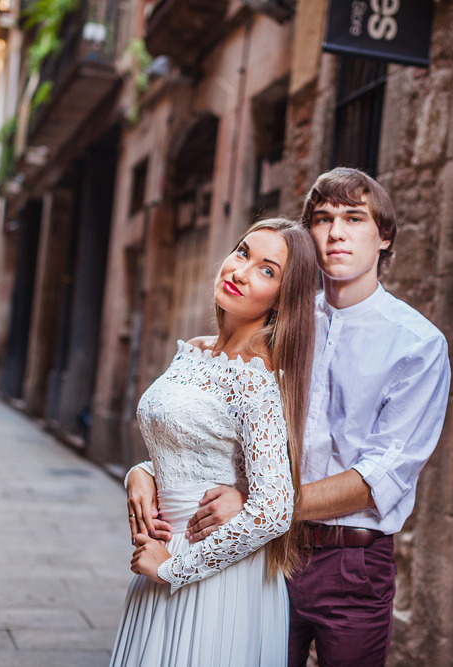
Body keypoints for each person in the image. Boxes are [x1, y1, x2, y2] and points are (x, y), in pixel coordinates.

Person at [184, 167, 451, 666]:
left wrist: (258, 504)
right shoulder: (278, 323)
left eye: (354, 218)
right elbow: (212, 421)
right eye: (323, 219)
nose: (335, 232)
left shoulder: (416, 344)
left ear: (384, 237)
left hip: (352, 563)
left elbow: (380, 478)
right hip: (263, 553)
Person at [110, 217, 319, 667]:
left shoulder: (258, 375)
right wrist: (141, 472)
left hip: (212, 570)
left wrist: (173, 569)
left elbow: (273, 509)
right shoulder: (196, 350)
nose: (241, 271)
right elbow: (186, 441)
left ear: (284, 298)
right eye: (243, 252)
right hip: (162, 553)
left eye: (267, 270)